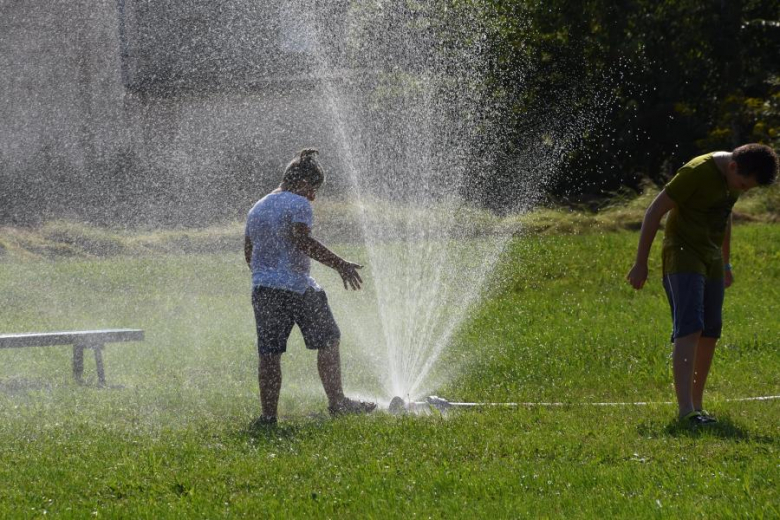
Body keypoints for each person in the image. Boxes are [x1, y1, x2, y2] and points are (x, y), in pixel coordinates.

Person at [627, 143, 778, 426]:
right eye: (743, 185)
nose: (743, 191)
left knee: (710, 330)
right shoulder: (696, 172)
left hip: (712, 258)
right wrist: (640, 263)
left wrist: (726, 263)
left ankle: (697, 406)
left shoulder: (734, 178)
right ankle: (686, 411)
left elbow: (724, 216)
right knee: (691, 326)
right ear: (733, 166)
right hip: (682, 253)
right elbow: (654, 211)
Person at [245, 148, 376, 425]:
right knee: (329, 340)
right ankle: (337, 403)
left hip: (264, 289)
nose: (313, 197)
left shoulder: (257, 208)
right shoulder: (298, 204)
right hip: (298, 288)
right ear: (303, 183)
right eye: (313, 190)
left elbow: (249, 252)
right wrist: (340, 264)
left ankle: (268, 417)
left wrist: (266, 276)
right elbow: (302, 241)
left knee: (269, 354)